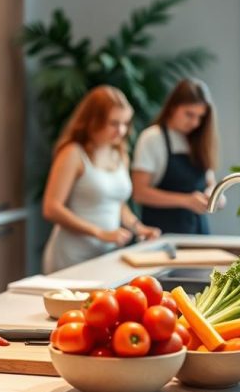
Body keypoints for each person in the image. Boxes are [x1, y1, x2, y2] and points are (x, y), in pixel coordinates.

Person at [42, 86, 161, 274]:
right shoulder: (73, 154)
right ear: (92, 121)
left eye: (125, 123)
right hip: (72, 255)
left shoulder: (120, 153)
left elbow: (118, 203)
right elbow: (51, 208)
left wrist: (138, 228)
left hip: (106, 254)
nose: (121, 131)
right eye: (113, 123)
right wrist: (100, 233)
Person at [131, 78, 222, 235]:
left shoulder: (199, 139)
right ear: (173, 107)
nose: (195, 123)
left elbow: (210, 182)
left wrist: (215, 197)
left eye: (200, 117)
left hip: (200, 233)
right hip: (163, 234)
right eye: (189, 114)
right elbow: (139, 193)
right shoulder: (152, 138)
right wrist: (186, 201)